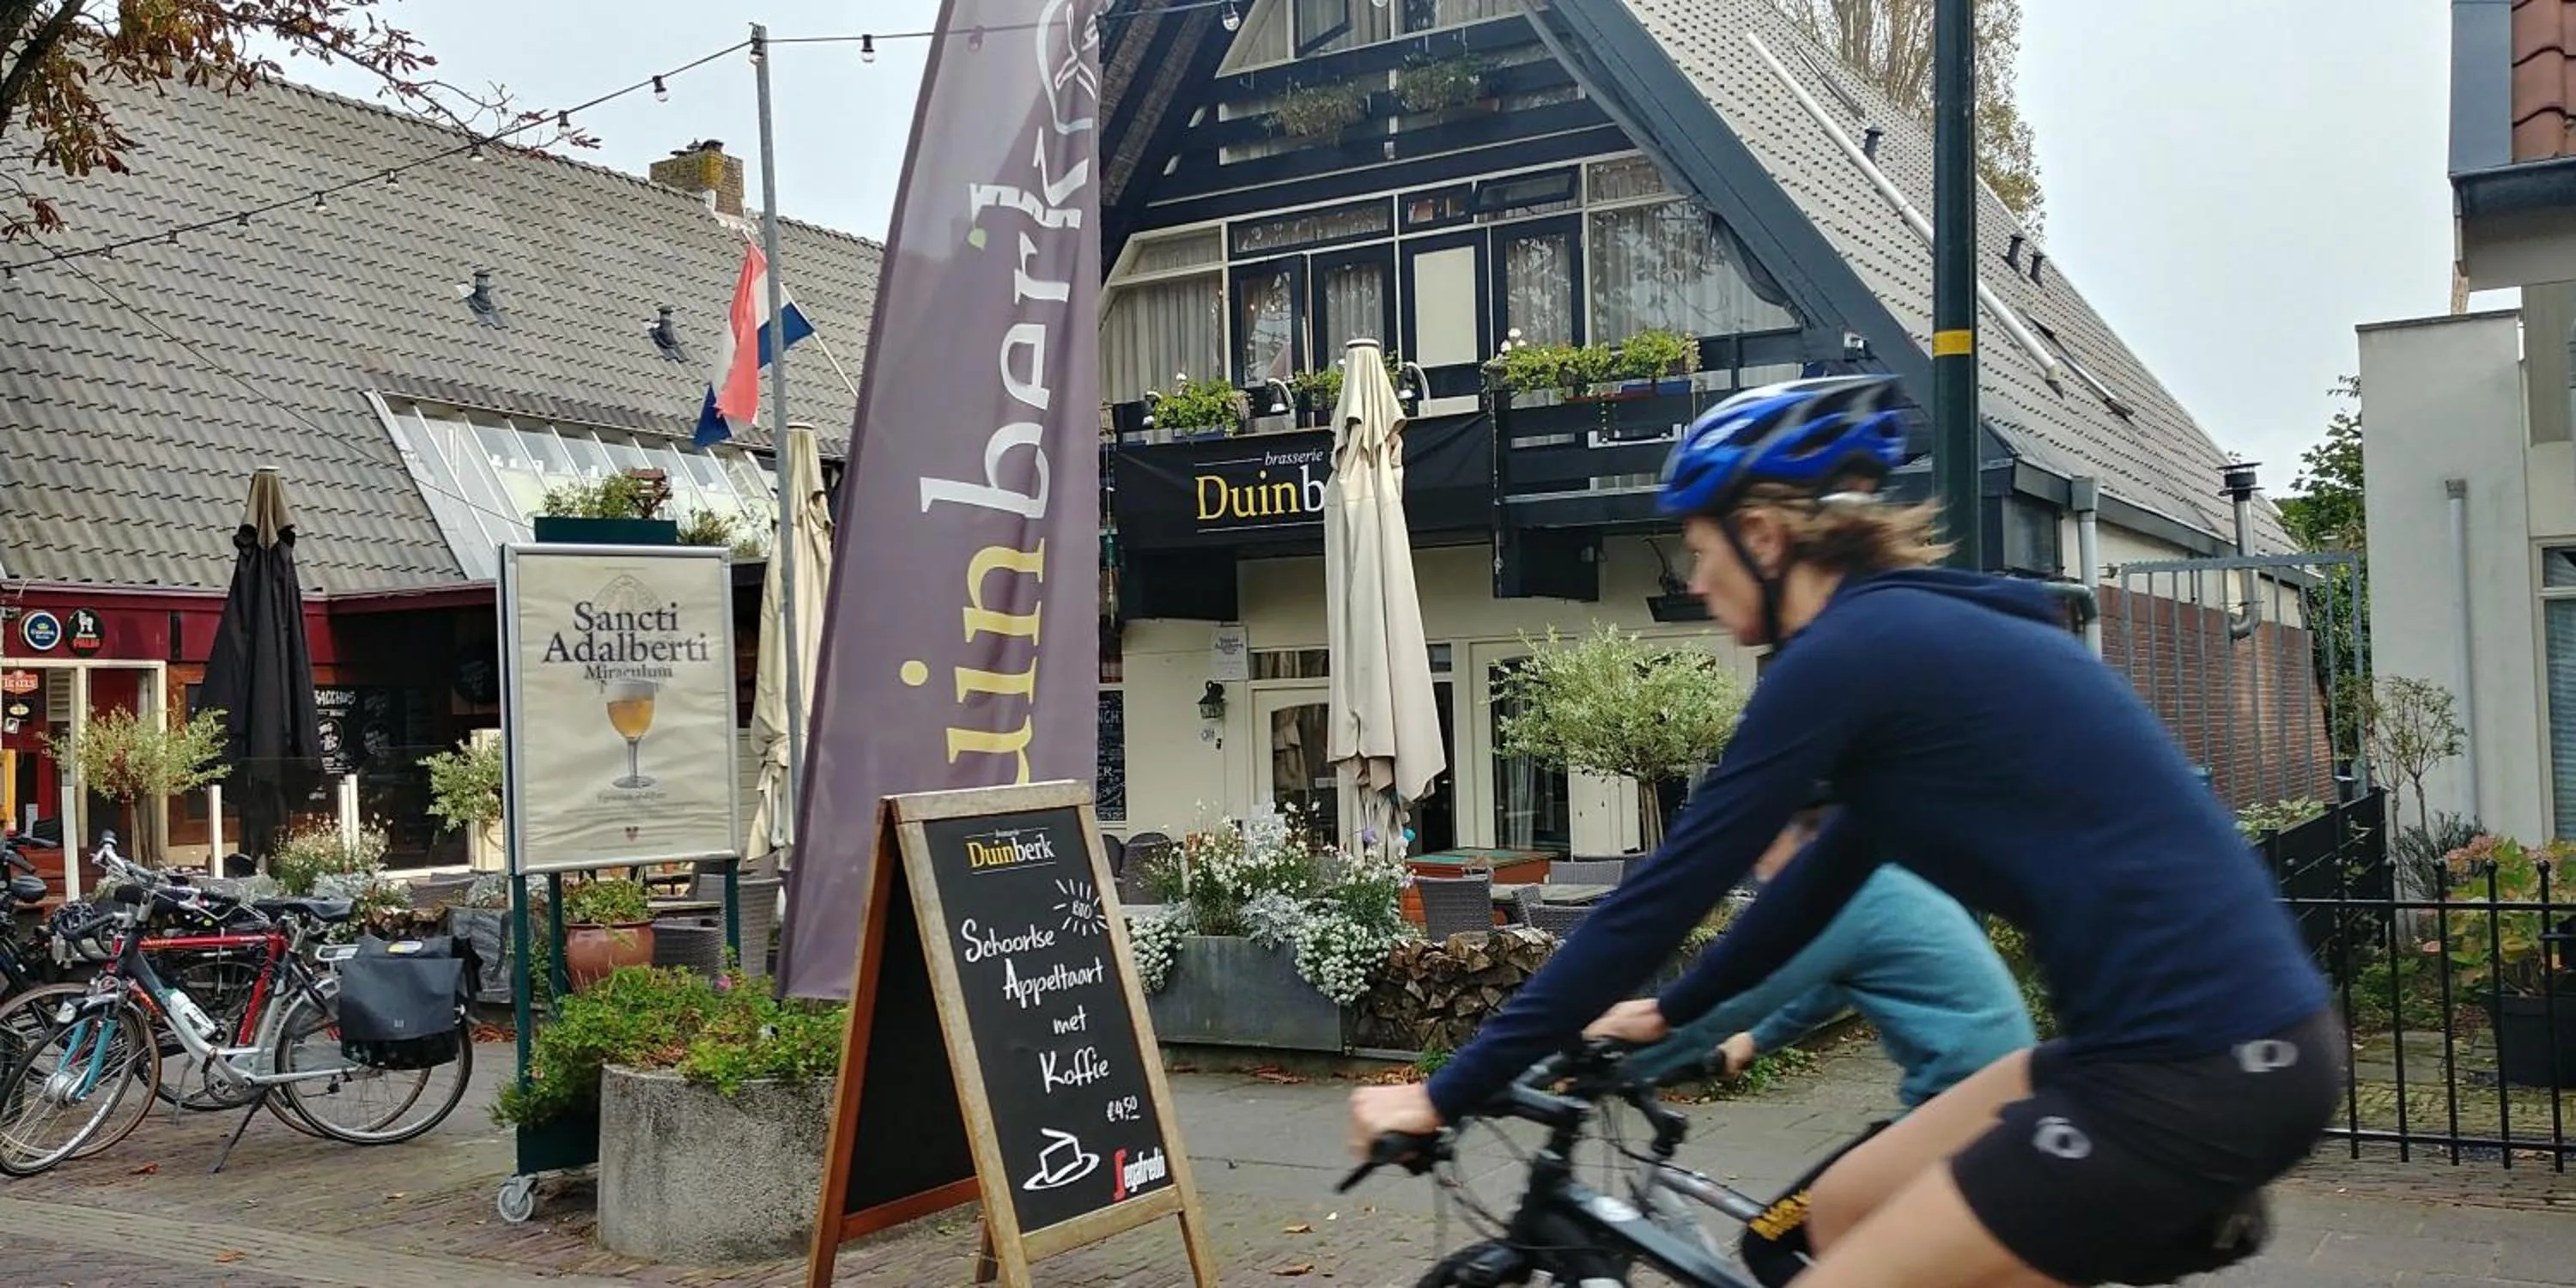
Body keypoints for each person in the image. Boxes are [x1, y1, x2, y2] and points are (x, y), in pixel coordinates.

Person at [1347, 374, 2341, 1288]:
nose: (1697, 579)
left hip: (2198, 1069)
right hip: (2161, 1051)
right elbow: (1826, 877)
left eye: (1701, 549)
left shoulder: (1850, 652)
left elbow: (1665, 894)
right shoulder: (1903, 642)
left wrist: (1444, 1094)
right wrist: (1671, 1010)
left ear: (1763, 536)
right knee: (1838, 1212)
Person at [1623, 806, 2036, 1111]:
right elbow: (1823, 994)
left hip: (1968, 1093)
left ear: (1807, 837)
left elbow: (1743, 999)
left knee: (1818, 1202)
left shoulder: (1846, 902)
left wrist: (1623, 1066)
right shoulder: (1874, 882)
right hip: (1989, 1082)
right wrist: (1752, 1041)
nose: (1757, 862)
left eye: (1766, 843)